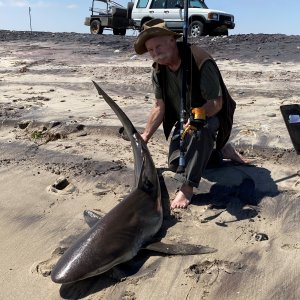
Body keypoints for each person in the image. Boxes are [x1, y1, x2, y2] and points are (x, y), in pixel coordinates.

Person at [134, 19, 247, 209]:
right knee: (176, 163)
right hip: (184, 119)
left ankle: (188, 188)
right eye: (151, 50)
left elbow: (217, 103)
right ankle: (221, 150)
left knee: (200, 130)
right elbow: (159, 107)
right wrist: (145, 135)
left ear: (172, 40)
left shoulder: (200, 59)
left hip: (212, 115)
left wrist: (199, 116)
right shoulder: (158, 70)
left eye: (158, 46)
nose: (155, 53)